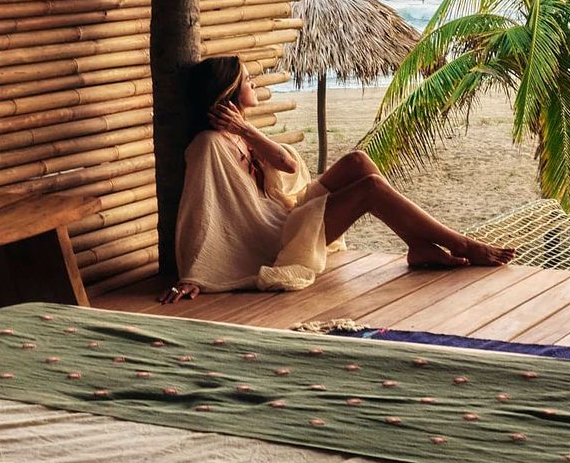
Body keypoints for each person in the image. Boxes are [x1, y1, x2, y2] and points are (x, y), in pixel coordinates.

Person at [163, 55, 513, 302]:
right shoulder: (208, 145)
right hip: (277, 235)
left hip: (287, 210)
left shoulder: (239, 133)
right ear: (228, 92)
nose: (253, 81)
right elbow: (201, 211)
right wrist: (193, 275)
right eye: (246, 80)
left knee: (358, 161)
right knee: (371, 189)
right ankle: (462, 245)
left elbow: (286, 166)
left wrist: (247, 130)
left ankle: (418, 245)